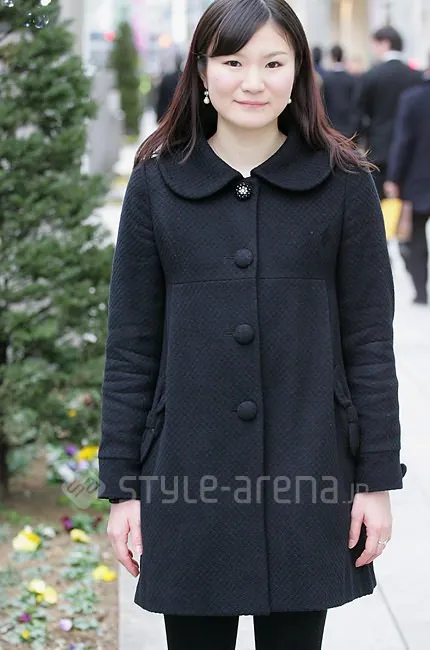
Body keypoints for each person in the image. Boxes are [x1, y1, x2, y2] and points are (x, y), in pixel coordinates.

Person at [97, 1, 407, 649]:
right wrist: (122, 489)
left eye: (273, 63)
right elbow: (131, 348)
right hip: (187, 474)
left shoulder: (344, 183)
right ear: (201, 72)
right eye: (233, 63)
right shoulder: (157, 184)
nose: (253, 82)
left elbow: (369, 344)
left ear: (298, 72)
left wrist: (376, 480)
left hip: (310, 470)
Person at [355, 26, 422, 199]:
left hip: (379, 149)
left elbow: (360, 113)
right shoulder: (416, 76)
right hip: (413, 151)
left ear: (385, 43)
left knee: (377, 203)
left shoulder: (372, 75)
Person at [384, 60, 430, 305]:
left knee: (416, 236)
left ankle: (421, 291)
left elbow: (403, 142)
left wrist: (394, 177)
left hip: (418, 178)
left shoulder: (412, 99)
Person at [322, 45, 359, 138]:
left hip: (331, 125)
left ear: (332, 57)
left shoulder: (326, 80)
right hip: (348, 125)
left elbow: (323, 103)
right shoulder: (351, 79)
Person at [156, 51, 183, 123]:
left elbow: (161, 99)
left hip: (167, 114)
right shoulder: (185, 79)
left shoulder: (167, 78)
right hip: (181, 115)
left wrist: (159, 118)